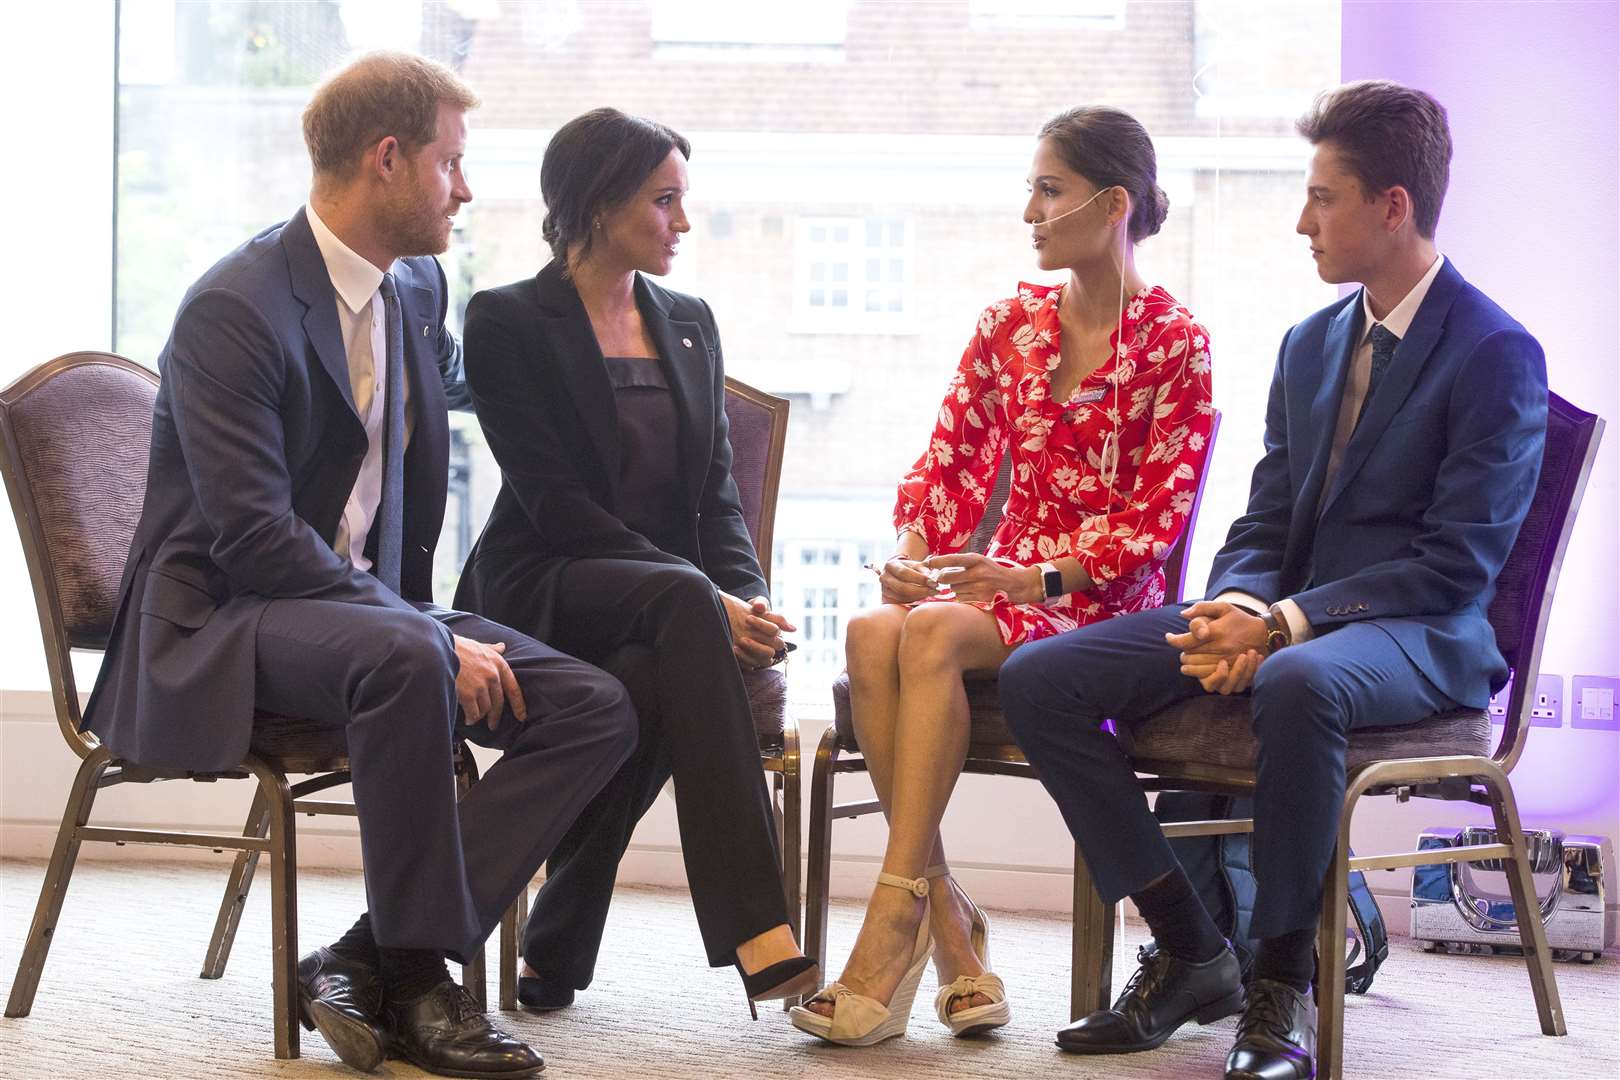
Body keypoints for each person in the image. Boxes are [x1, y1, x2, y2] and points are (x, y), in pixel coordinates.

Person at [81, 53, 640, 1079]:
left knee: (594, 707)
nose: (465, 191)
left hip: (364, 611)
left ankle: (367, 955)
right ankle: (425, 987)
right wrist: (426, 633)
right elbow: (254, 541)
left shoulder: (416, 287)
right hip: (226, 618)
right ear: (388, 160)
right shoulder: (234, 312)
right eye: (451, 164)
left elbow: (479, 400)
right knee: (403, 659)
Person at [1000, 80, 1547, 1080]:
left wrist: (1287, 625)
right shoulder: (1309, 345)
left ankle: (1280, 988)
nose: (1303, 222)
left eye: (1322, 198)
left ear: (1392, 206)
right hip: (1291, 620)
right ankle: (1191, 952)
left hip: (1420, 631)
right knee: (1041, 678)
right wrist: (1240, 605)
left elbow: (1456, 563)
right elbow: (1262, 516)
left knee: (1301, 679)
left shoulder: (1497, 351)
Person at [789, 106, 1214, 1047]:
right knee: (873, 627)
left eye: (1048, 189)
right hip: (1000, 585)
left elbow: (1157, 523)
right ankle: (949, 926)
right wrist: (909, 550)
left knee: (933, 631)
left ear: (1112, 204)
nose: (1030, 209)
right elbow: (948, 461)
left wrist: (1037, 580)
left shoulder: (1175, 341)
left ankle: (895, 925)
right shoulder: (1010, 323)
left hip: (1100, 600)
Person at [452, 107, 817, 1017]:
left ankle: (556, 942)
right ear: (599, 202)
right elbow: (557, 507)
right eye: (664, 201)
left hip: (667, 609)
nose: (682, 224)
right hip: (546, 583)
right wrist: (700, 596)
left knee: (651, 680)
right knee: (680, 614)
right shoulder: (507, 320)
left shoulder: (688, 321)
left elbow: (715, 498)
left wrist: (745, 594)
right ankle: (754, 923)